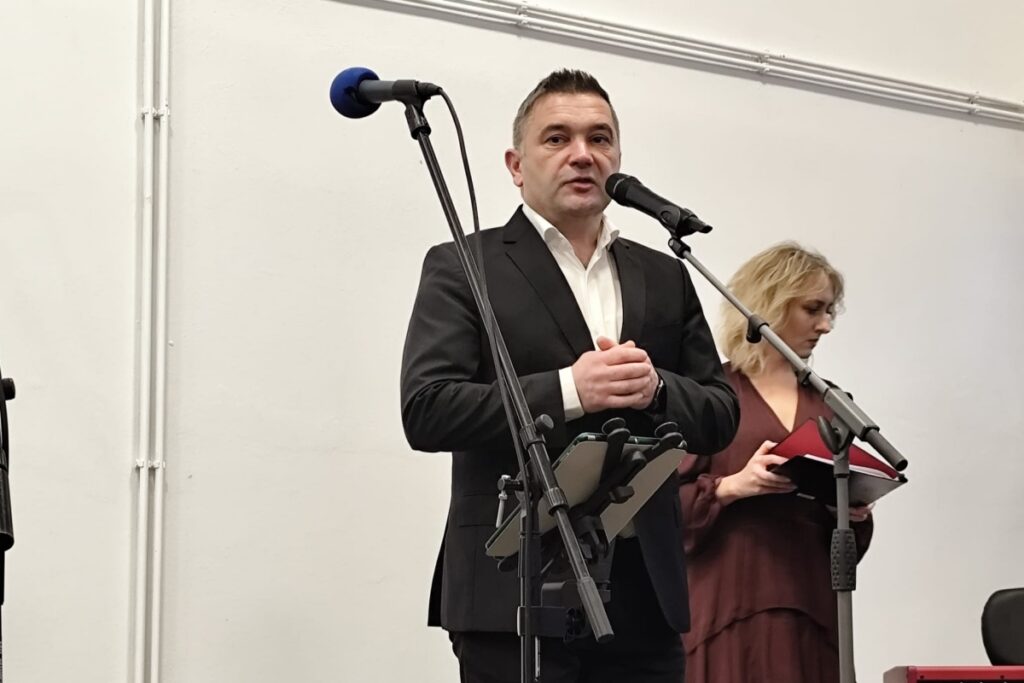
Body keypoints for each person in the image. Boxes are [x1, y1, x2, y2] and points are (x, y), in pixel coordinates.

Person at [400, 69, 739, 682]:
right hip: (513, 585)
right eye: (557, 138)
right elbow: (428, 409)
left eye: (599, 138)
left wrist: (658, 389)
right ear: (516, 165)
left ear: (617, 158)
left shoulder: (664, 273)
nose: (583, 154)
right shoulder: (463, 264)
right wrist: (569, 390)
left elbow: (720, 414)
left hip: (644, 591)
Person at [678, 242, 875, 683]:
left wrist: (850, 509)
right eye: (813, 309)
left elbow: (848, 544)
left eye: (829, 311)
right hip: (726, 606)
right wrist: (731, 487)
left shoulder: (832, 404)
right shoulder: (712, 396)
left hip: (811, 609)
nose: (825, 325)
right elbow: (660, 512)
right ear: (769, 303)